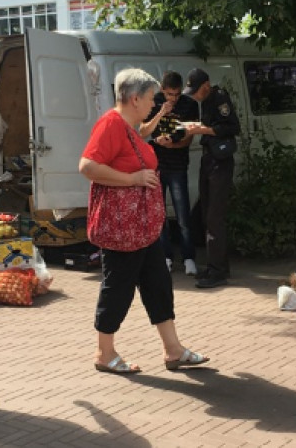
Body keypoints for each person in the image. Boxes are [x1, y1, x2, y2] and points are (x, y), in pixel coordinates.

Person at [78, 68, 209, 374]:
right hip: (123, 228)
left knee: (158, 284)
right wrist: (132, 178)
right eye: (151, 98)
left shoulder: (127, 124)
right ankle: (104, 353)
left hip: (141, 227)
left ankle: (173, 350)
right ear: (134, 98)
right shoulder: (111, 123)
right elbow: (87, 166)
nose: (154, 104)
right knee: (118, 287)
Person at [184, 68, 241, 289]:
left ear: (206, 86)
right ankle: (217, 265)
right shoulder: (206, 101)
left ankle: (217, 272)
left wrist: (203, 130)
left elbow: (232, 127)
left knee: (214, 217)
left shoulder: (219, 98)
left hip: (221, 162)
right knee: (207, 214)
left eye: (196, 91)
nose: (194, 95)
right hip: (209, 159)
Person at [140, 70, 200, 275]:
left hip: (177, 166)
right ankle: (165, 256)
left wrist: (171, 145)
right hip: (156, 166)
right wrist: (160, 113)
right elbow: (143, 131)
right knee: (159, 215)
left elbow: (189, 136)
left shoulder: (189, 105)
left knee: (182, 215)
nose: (173, 99)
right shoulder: (153, 102)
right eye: (169, 94)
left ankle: (189, 258)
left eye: (176, 94)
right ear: (162, 90)